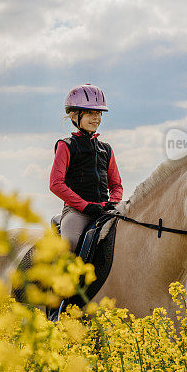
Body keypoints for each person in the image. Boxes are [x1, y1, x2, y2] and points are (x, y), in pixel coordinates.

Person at [49, 84, 123, 251]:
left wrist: (114, 202)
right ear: (75, 115)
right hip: (77, 213)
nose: (96, 117)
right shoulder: (66, 146)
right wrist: (85, 206)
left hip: (105, 211)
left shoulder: (106, 149)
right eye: (90, 112)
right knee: (70, 245)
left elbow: (116, 185)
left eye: (98, 113)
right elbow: (56, 184)